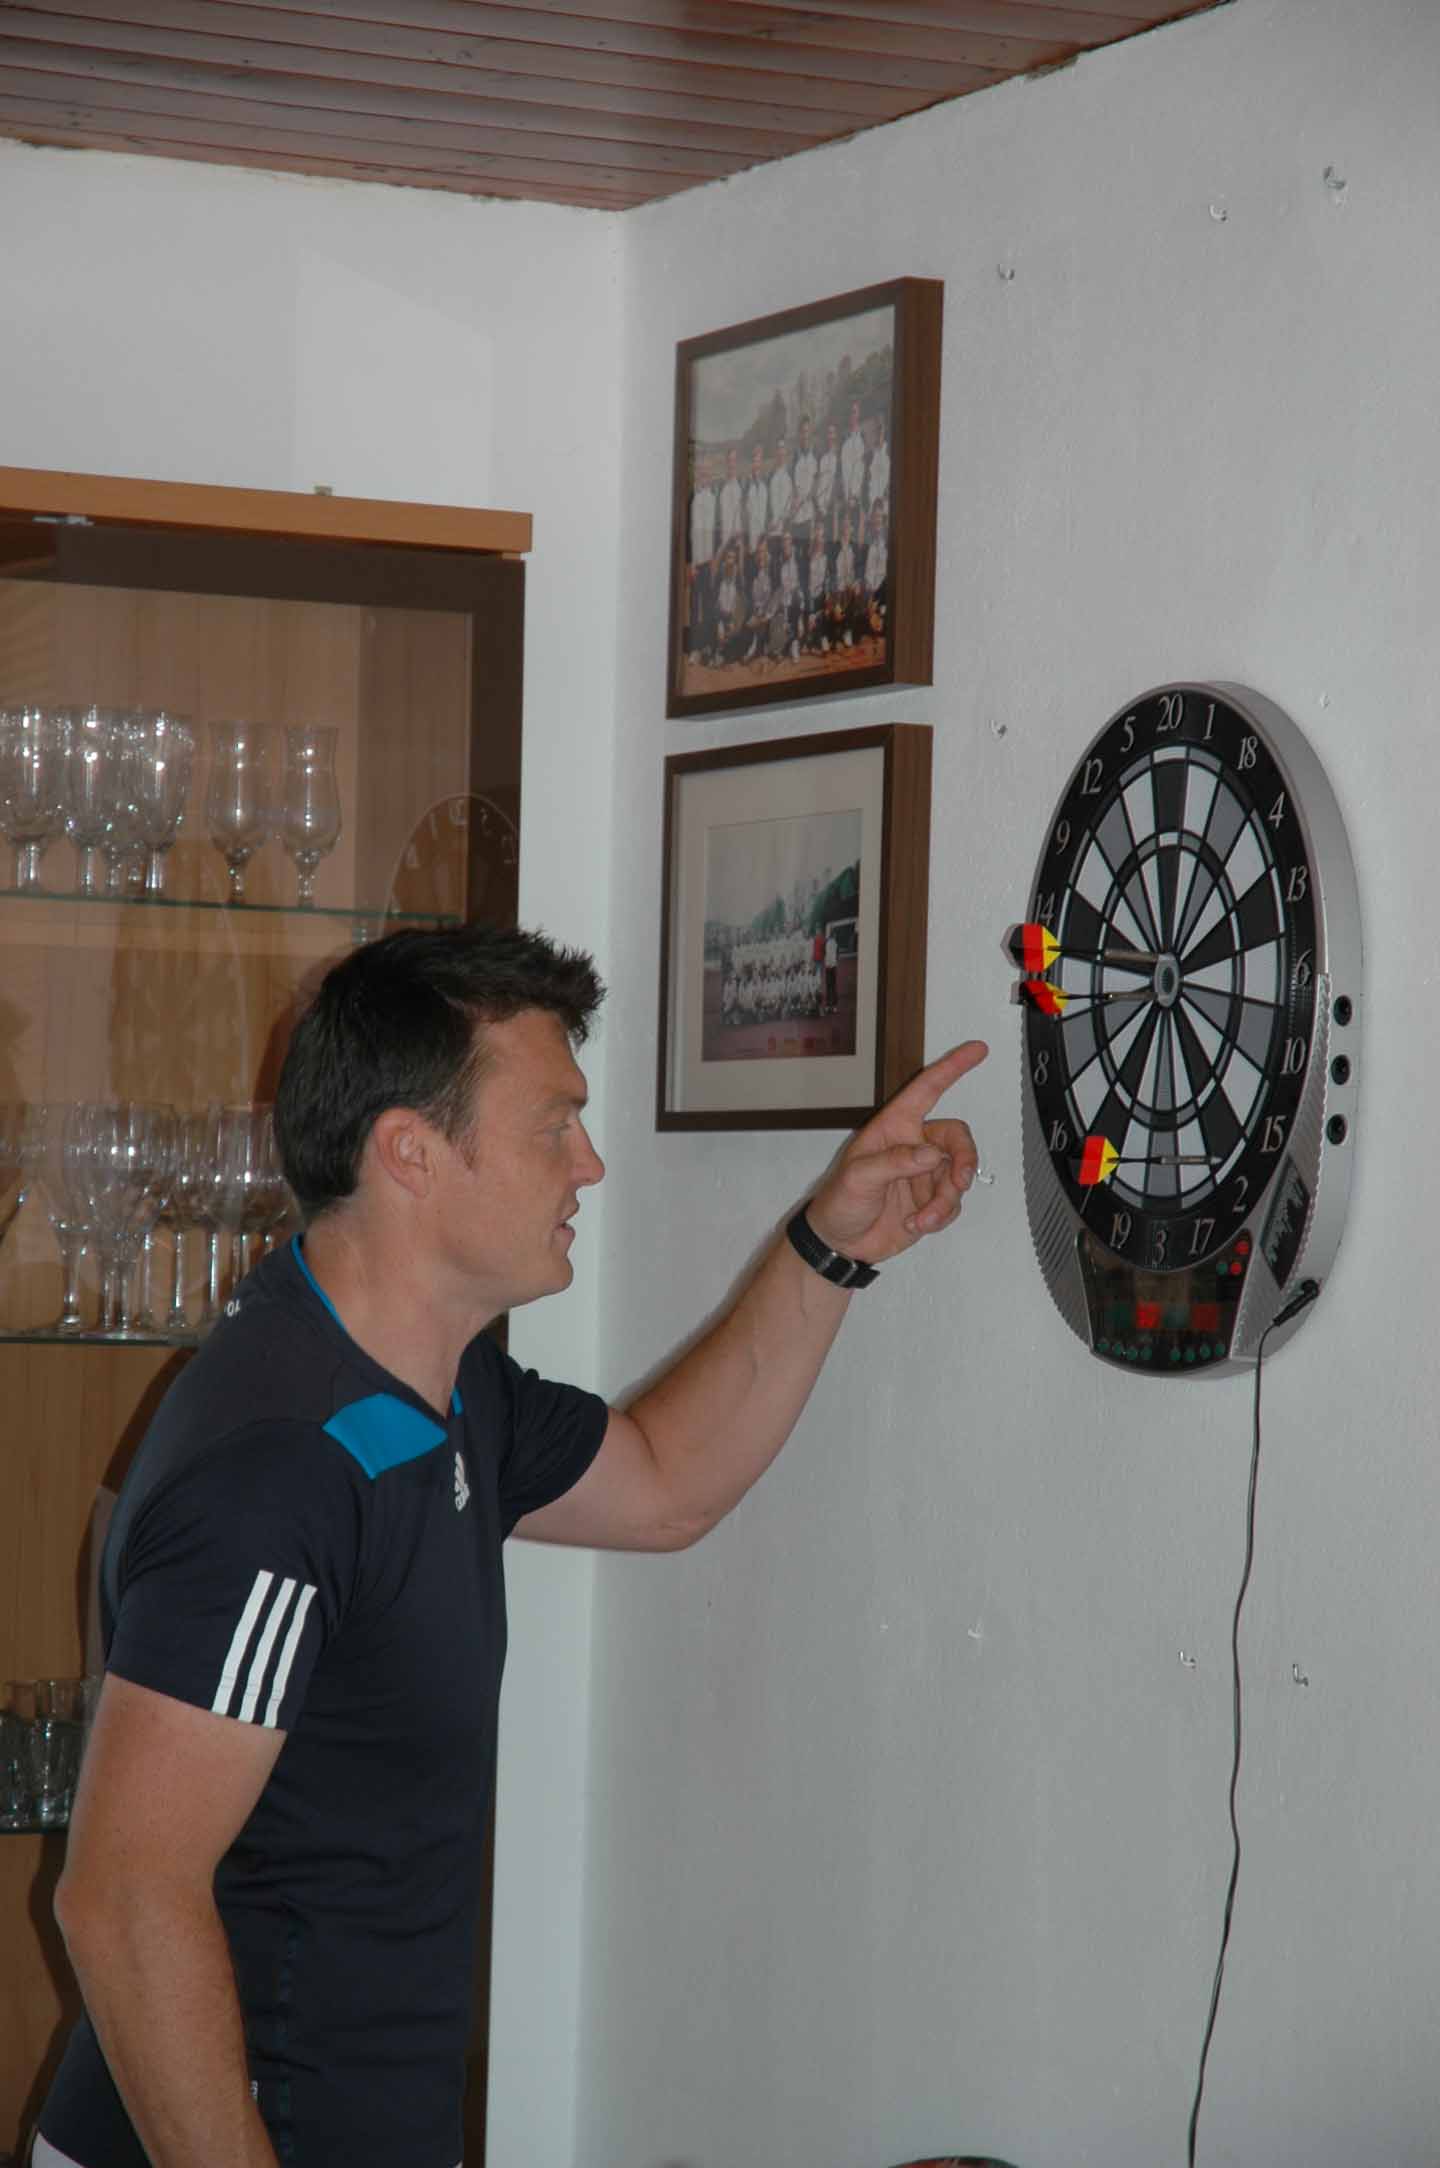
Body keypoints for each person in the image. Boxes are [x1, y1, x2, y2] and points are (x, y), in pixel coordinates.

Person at [37, 923, 986, 2168]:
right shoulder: (279, 1470)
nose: (588, 1163)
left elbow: (665, 1482)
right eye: (554, 1125)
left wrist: (835, 1240)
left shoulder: (440, 1384)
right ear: (411, 1152)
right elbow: (124, 1898)